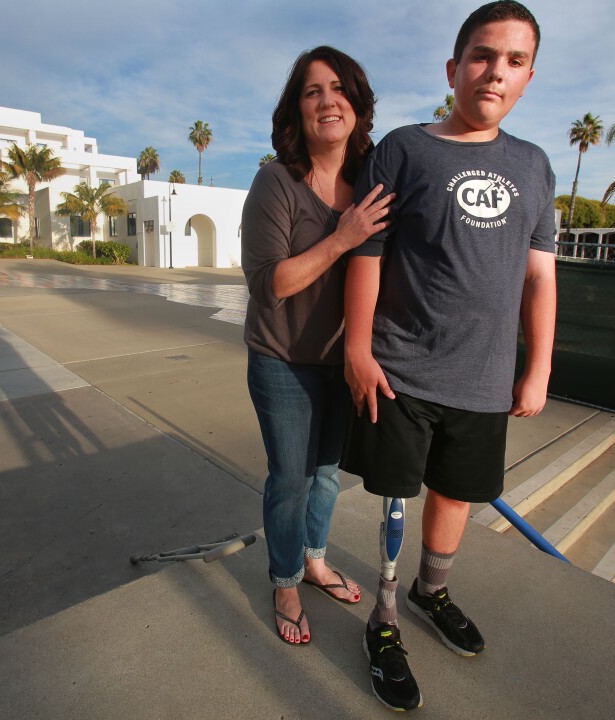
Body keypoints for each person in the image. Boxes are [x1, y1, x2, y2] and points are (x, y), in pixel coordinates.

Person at [342, 1, 557, 710]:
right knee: (395, 499)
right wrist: (358, 349)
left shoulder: (533, 165)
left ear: (528, 77)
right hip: (402, 369)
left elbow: (539, 277)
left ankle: (433, 592)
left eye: (514, 60)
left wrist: (538, 366)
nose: (495, 71)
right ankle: (385, 617)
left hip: (485, 380)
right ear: (454, 68)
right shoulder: (405, 149)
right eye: (482, 55)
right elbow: (367, 254)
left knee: (459, 495)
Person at [241, 46, 395, 646]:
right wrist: (343, 236)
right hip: (282, 361)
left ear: (357, 104)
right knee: (290, 478)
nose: (327, 101)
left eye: (338, 89)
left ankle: (313, 558)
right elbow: (269, 284)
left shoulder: (372, 184)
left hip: (343, 362)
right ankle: (284, 579)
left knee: (328, 475)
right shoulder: (276, 181)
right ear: (297, 111)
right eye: (312, 92)